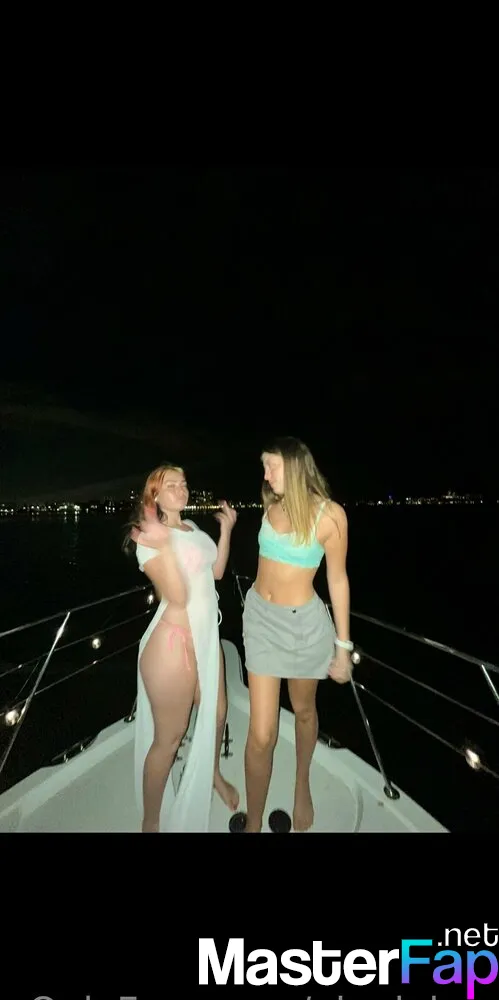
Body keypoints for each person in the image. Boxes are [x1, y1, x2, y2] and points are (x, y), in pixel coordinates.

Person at [241, 436, 353, 833]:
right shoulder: (270, 506)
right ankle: (254, 822)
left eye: (271, 466)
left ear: (296, 465)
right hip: (260, 621)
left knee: (304, 711)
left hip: (304, 627)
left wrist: (343, 647)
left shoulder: (330, 516)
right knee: (261, 734)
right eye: (264, 466)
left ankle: (301, 783)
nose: (266, 474)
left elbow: (337, 580)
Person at [124, 463, 238, 832]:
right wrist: (163, 545)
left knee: (217, 713)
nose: (181, 488)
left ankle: (212, 774)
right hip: (174, 643)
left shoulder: (192, 528)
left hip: (207, 637)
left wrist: (226, 531)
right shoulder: (149, 537)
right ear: (154, 495)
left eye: (184, 483)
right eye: (171, 484)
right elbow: (177, 595)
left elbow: (216, 573)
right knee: (170, 739)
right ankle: (151, 820)